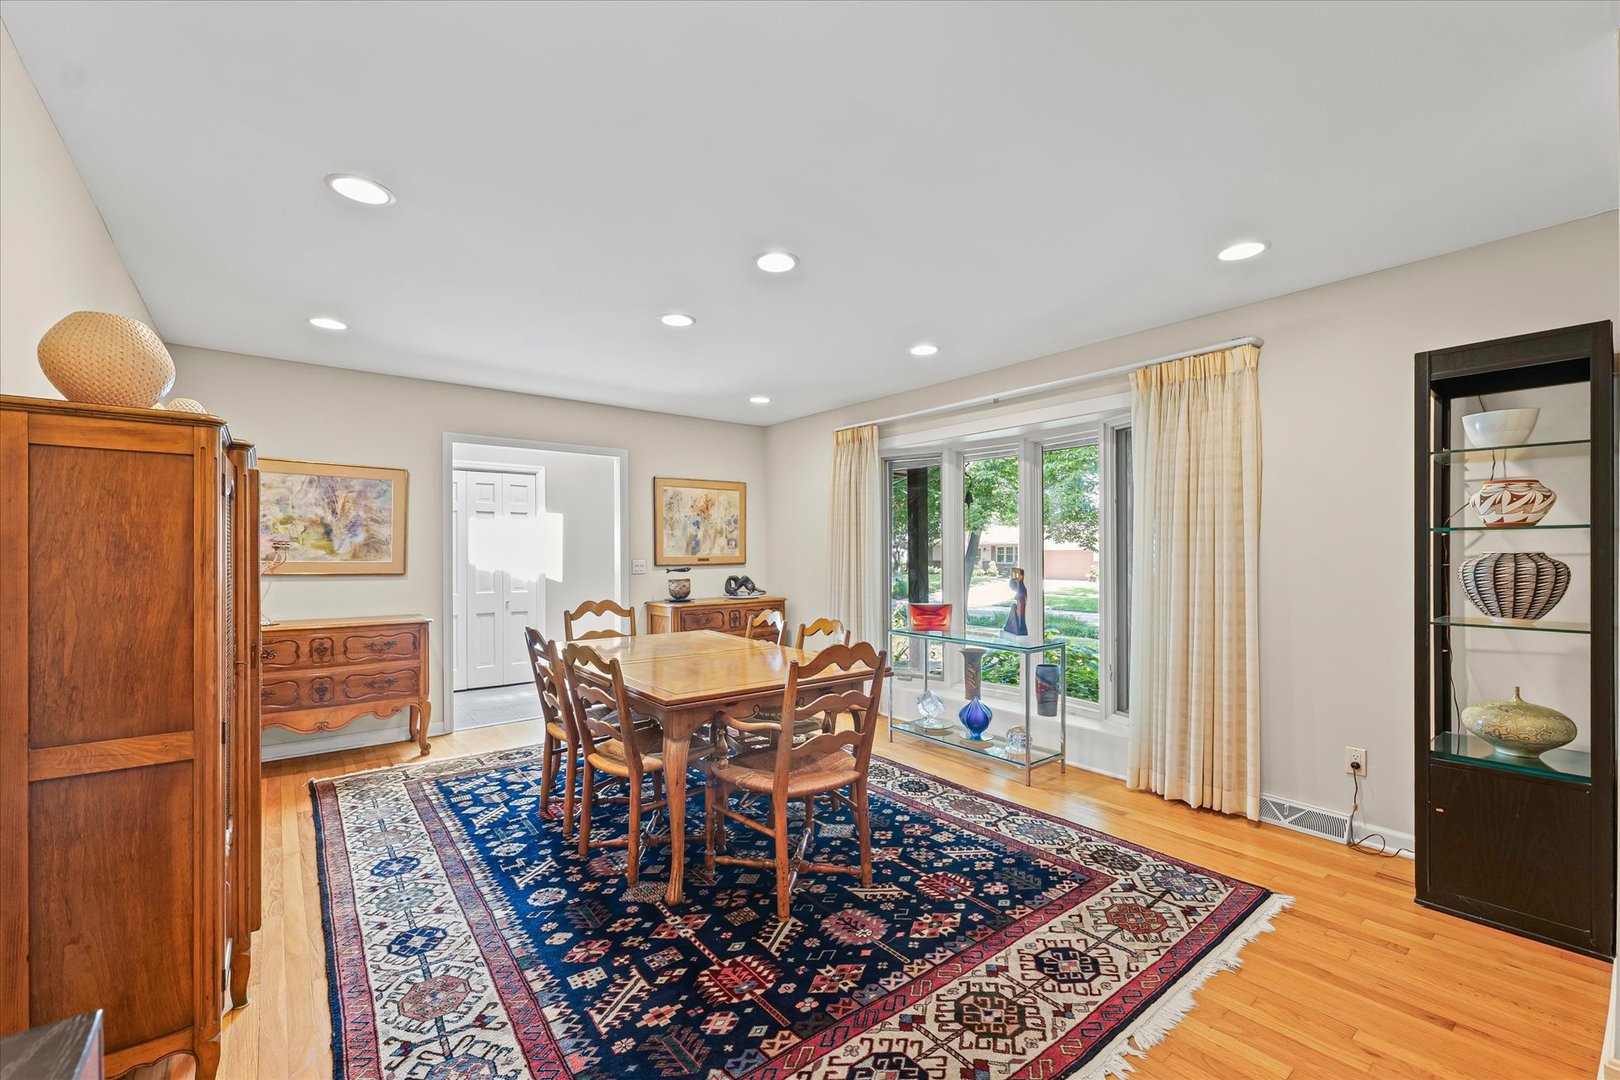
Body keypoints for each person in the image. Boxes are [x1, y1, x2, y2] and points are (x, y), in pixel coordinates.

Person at [1002, 566, 1028, 637]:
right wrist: (1013, 575)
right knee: (1014, 607)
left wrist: (1013, 571)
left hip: (1020, 608)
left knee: (1018, 618)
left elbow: (1021, 572)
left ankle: (1016, 627)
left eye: (1013, 588)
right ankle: (1013, 627)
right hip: (1019, 607)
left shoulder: (1020, 587)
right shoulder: (1020, 588)